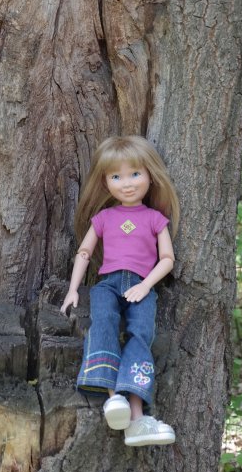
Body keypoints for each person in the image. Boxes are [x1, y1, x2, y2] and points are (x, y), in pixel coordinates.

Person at [61, 135, 180, 447]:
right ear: (105, 182)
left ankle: (137, 419)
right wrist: (73, 290)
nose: (126, 184)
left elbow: (167, 259)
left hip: (142, 284)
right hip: (107, 284)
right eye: (116, 177)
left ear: (150, 175)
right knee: (104, 324)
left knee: (141, 335)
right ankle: (115, 398)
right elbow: (84, 253)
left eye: (135, 174)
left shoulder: (155, 219)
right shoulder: (104, 218)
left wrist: (146, 285)